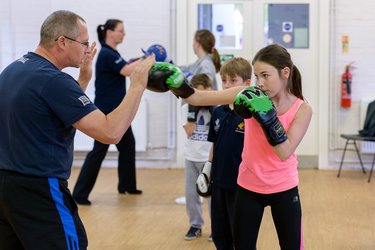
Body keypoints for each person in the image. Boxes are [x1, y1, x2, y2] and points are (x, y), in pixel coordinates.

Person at [0, 10, 154, 250]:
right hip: (40, 189)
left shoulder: (14, 69)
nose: (86, 50)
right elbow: (110, 132)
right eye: (83, 43)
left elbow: (53, 109)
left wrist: (82, 80)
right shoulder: (54, 80)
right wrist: (137, 84)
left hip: (6, 189)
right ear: (62, 41)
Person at [148, 43, 312, 249]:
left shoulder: (302, 109)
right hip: (248, 186)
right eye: (256, 76)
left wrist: (268, 120)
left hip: (284, 187)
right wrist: (178, 83)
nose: (259, 83)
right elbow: (198, 97)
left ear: (285, 73)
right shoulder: (247, 93)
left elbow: (285, 152)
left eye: (265, 75)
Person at [73, 19, 144, 206]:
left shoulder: (112, 53)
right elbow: (127, 70)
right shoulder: (106, 54)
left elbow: (126, 64)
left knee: (128, 146)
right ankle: (79, 194)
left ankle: (127, 186)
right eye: (121, 30)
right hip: (106, 112)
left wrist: (141, 59)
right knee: (99, 151)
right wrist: (149, 59)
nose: (124, 34)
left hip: (116, 111)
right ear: (110, 33)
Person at [207, 57, 251, 250]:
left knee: (240, 236)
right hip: (218, 183)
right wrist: (207, 170)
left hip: (240, 187)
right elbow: (214, 144)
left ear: (247, 84)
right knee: (219, 233)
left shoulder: (251, 115)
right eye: (224, 80)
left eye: (233, 81)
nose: (226, 85)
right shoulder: (218, 112)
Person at [175, 29, 221, 205]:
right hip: (194, 119)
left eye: (193, 41)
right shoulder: (201, 62)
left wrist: (192, 118)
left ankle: (202, 190)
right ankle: (195, 193)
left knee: (204, 163)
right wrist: (170, 66)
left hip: (203, 121)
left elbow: (202, 90)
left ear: (198, 42)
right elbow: (186, 71)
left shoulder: (206, 65)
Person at [181, 74, 213, 241]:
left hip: (208, 158)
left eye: (204, 94)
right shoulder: (186, 109)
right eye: (197, 94)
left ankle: (217, 228)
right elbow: (189, 131)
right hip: (191, 157)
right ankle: (195, 225)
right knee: (191, 194)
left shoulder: (215, 109)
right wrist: (192, 113)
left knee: (211, 196)